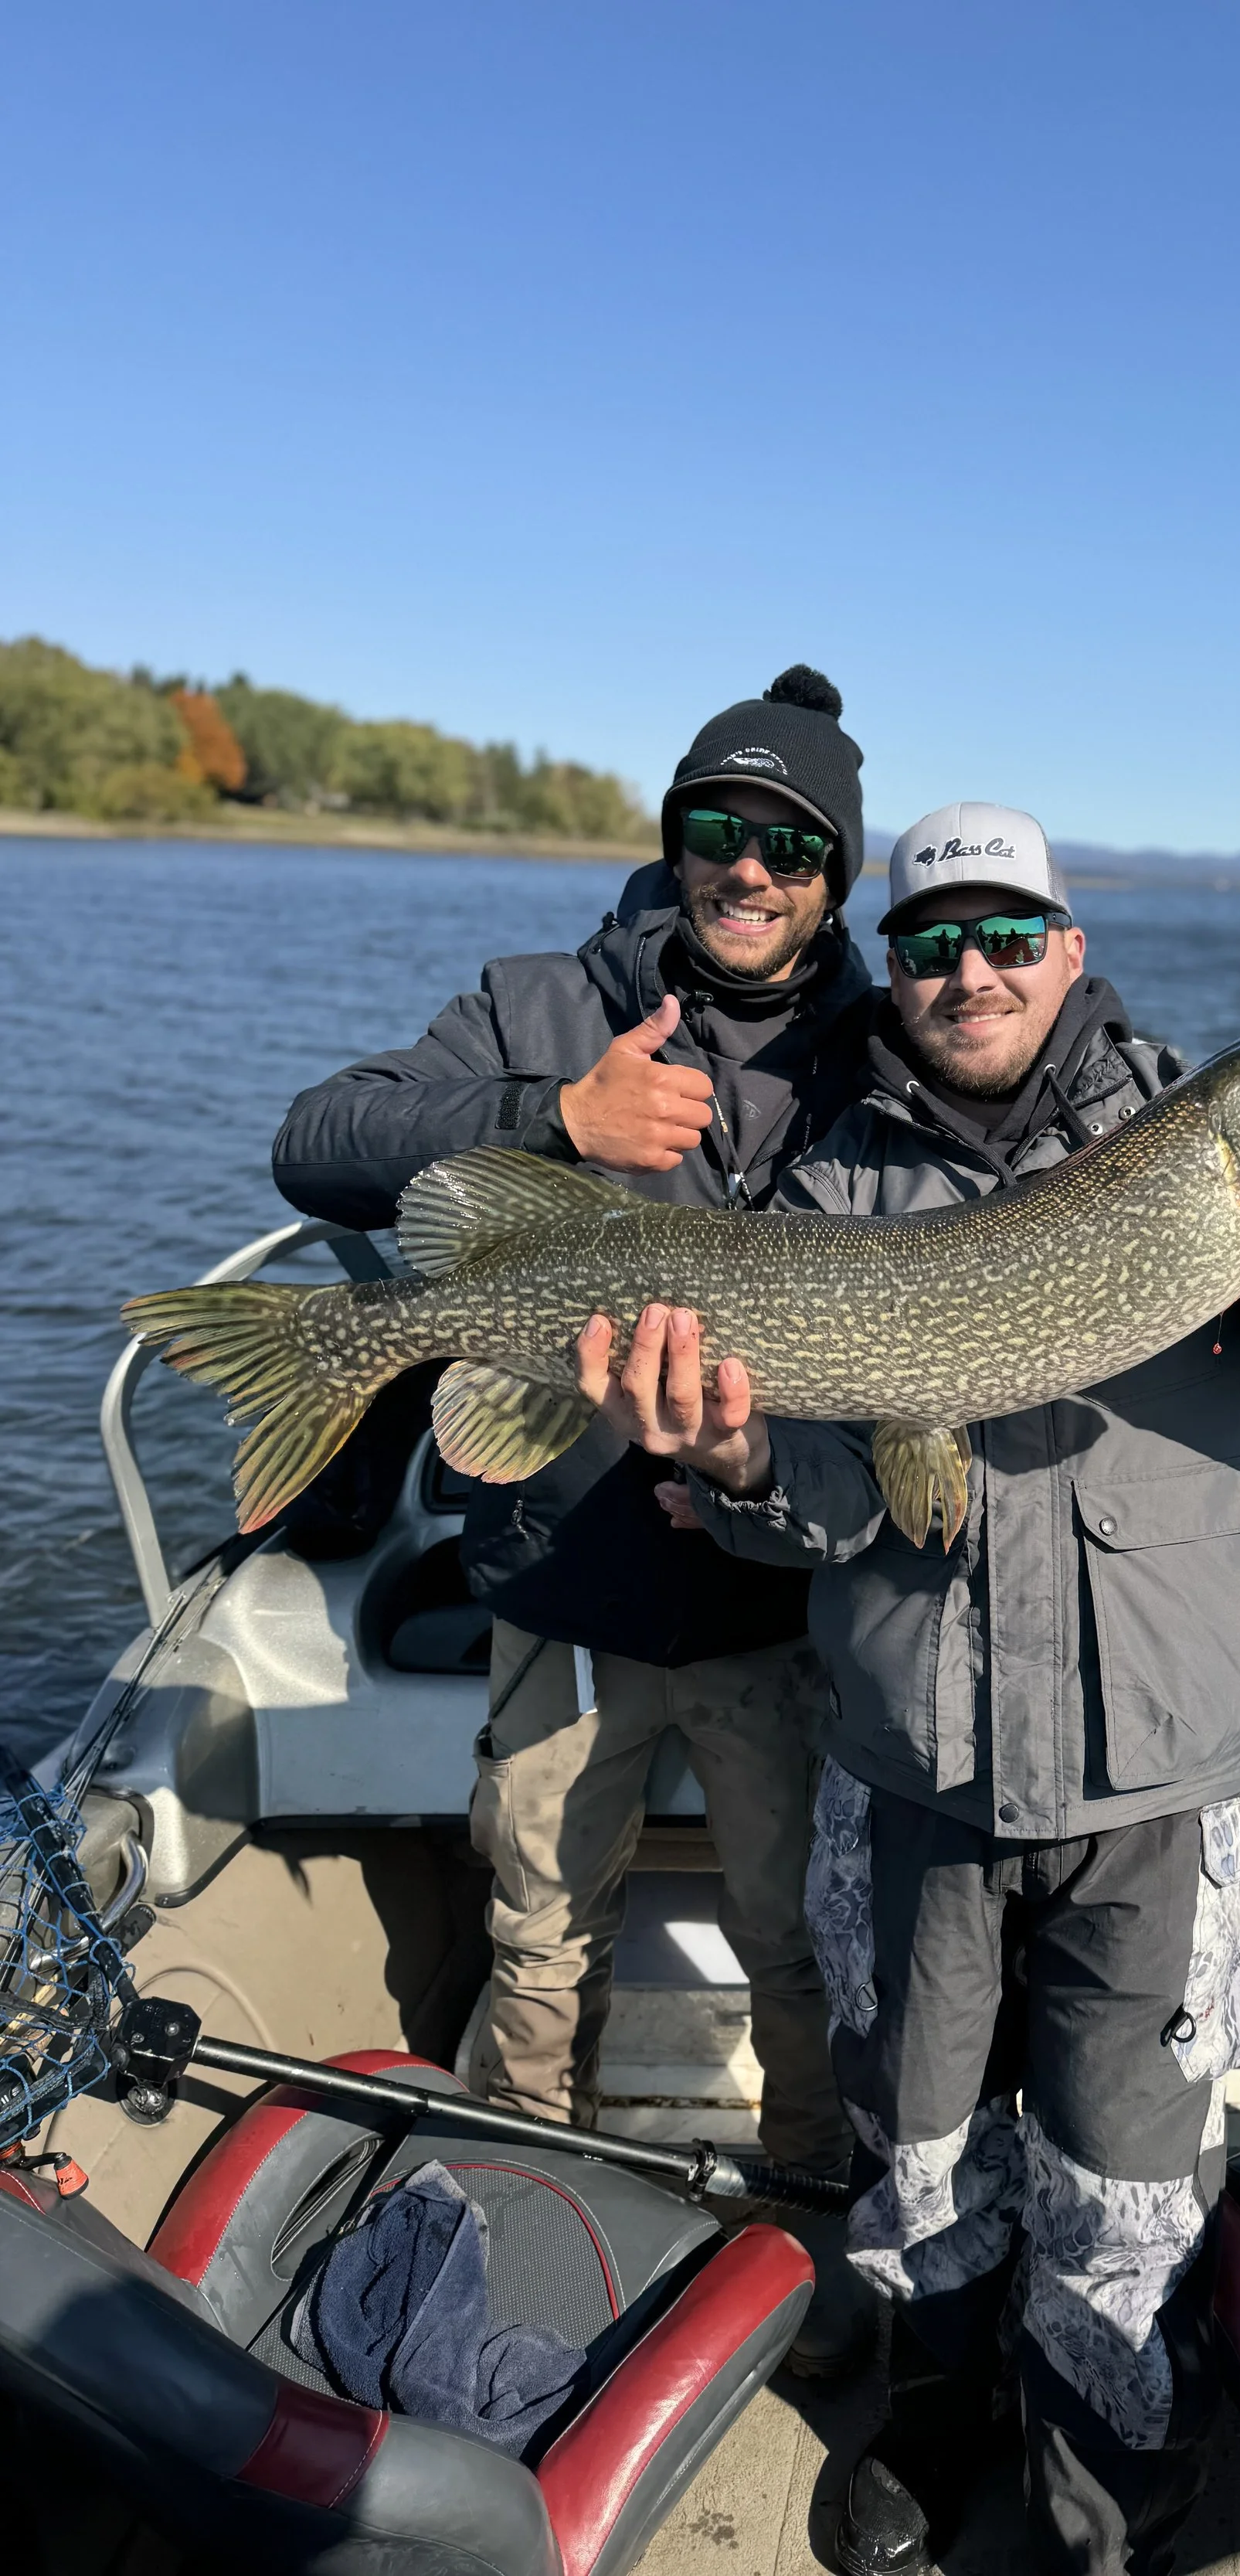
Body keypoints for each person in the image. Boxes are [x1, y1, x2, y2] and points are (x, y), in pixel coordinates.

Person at [577, 802, 1240, 2572]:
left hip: (1157, 1784)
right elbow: (841, 1508)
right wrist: (752, 1464)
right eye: (928, 944)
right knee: (916, 2160)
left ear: (1068, 947)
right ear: (897, 972)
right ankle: (931, 2430)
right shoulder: (834, 1175)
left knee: (1128, 2187)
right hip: (913, 1767)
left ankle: (1107, 2487)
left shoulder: (1215, 1132)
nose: (969, 970)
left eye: (1008, 933)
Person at [271, 667, 878, 2374]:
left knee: (796, 1943)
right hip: (561, 1576)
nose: (744, 870)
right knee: (538, 1927)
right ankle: (515, 2198)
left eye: (789, 844)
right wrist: (556, 1119)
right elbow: (317, 1142)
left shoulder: (874, 1044)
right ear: (670, 841)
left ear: (837, 876)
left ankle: (811, 2213)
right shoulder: (545, 1001)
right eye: (713, 830)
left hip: (771, 1601)